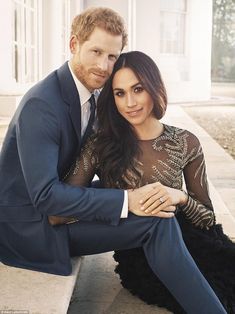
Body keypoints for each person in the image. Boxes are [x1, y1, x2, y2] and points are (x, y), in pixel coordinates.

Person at [0, 6, 226, 311]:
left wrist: (163, 196)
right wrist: (126, 200)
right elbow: (45, 198)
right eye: (95, 51)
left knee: (159, 212)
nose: (103, 66)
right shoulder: (43, 105)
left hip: (57, 206)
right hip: (32, 228)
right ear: (73, 45)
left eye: (111, 56)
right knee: (155, 222)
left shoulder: (89, 96)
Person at [60, 50, 232, 313]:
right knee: (217, 298)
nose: (130, 102)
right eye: (119, 93)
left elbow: (207, 217)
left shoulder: (185, 142)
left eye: (138, 89)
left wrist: (180, 197)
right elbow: (64, 204)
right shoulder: (100, 146)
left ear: (154, 88)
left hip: (195, 241)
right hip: (142, 254)